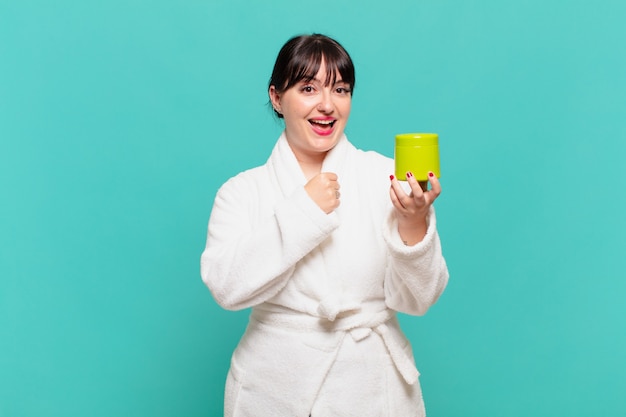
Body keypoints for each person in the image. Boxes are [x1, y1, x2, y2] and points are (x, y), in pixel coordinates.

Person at [200, 33, 449, 417]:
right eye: (308, 88)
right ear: (277, 98)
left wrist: (414, 222)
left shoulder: (386, 177)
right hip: (273, 389)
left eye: (341, 89)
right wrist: (303, 213)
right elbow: (226, 288)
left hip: (372, 388)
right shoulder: (241, 192)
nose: (327, 105)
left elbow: (419, 300)